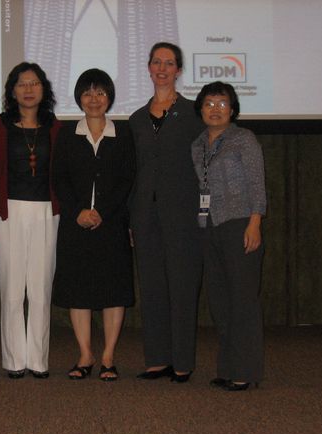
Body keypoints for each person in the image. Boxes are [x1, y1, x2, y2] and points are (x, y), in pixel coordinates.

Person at [128, 42, 205, 383]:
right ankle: (157, 359)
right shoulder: (135, 119)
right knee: (153, 287)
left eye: (169, 63)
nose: (162, 68)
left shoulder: (193, 114)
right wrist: (131, 218)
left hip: (183, 214)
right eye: (156, 61)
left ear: (178, 70)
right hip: (145, 215)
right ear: (148, 67)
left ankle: (183, 362)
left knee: (183, 287)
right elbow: (134, 172)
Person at [52, 69, 135, 381]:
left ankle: (108, 356)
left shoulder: (123, 134)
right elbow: (59, 179)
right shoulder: (66, 135)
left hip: (112, 223)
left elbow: (128, 178)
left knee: (114, 289)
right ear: (79, 99)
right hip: (76, 224)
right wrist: (77, 212)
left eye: (100, 92)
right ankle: (85, 354)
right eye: (87, 93)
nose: (94, 99)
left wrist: (102, 211)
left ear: (109, 97)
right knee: (79, 288)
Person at [0, 63, 61, 379]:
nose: (28, 89)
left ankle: (38, 360)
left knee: (41, 288)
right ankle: (14, 359)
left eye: (34, 83)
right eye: (21, 83)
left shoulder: (56, 128)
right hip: (9, 212)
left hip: (46, 211)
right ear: (12, 90)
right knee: (13, 289)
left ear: (43, 89)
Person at [192, 81, 266, 391]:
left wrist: (255, 223)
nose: (215, 109)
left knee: (242, 301)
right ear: (201, 109)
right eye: (209, 104)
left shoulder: (244, 140)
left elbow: (257, 184)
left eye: (222, 104)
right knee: (220, 302)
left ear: (232, 109)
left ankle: (245, 372)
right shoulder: (197, 145)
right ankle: (227, 368)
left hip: (240, 225)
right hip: (210, 226)